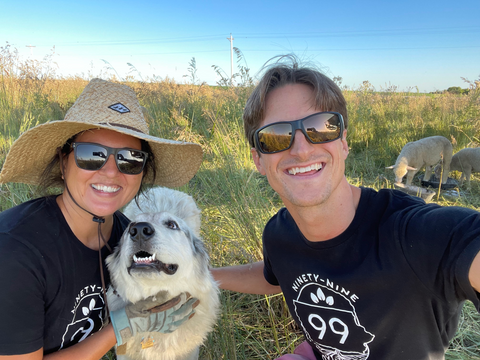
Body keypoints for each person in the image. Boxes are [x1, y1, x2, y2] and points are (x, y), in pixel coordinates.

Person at [211, 58, 480, 360]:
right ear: (258, 159)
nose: (300, 149)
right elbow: (275, 275)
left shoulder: (415, 234)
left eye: (322, 127)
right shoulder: (279, 234)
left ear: (344, 143)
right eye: (276, 136)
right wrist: (202, 276)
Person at [0, 78, 203, 359]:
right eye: (92, 155)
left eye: (130, 159)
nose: (110, 172)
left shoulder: (125, 235)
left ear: (142, 173)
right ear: (63, 161)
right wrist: (118, 329)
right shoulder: (15, 252)